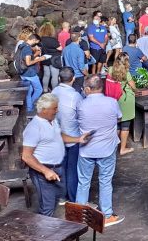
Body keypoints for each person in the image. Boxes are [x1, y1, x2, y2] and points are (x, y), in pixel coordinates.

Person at [21, 93, 88, 216]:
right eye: (54, 108)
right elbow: (26, 156)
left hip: (57, 168)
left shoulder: (52, 121)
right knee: (47, 207)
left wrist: (78, 139)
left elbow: (58, 136)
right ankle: (44, 233)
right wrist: (45, 171)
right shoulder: (34, 128)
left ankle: (50, 229)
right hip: (43, 171)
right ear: (44, 110)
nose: (57, 111)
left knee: (56, 198)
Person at [76, 75, 124, 226]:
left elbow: (76, 120)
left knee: (83, 182)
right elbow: (119, 118)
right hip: (107, 149)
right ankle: (107, 215)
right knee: (105, 182)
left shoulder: (81, 105)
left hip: (86, 150)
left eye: (84, 88)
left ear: (88, 89)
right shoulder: (112, 102)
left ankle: (78, 215)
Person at [51, 68, 84, 203]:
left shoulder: (53, 93)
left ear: (59, 79)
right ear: (73, 79)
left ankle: (61, 196)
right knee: (73, 170)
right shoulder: (76, 96)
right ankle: (73, 197)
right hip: (73, 137)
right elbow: (82, 115)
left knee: (61, 167)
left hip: (57, 137)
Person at [108, 53, 137, 155]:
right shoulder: (126, 72)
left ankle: (113, 147)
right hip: (125, 100)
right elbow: (133, 87)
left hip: (114, 99)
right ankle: (123, 149)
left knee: (116, 124)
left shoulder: (111, 69)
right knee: (125, 125)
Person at [20, 33, 45, 112]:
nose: (36, 44)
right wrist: (39, 59)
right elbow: (28, 63)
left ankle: (28, 108)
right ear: (34, 40)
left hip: (22, 72)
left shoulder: (22, 45)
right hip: (29, 73)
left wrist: (35, 55)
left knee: (29, 91)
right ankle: (30, 106)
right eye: (36, 42)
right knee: (39, 89)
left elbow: (25, 58)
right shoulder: (27, 48)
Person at [39, 23, 60, 93]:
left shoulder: (40, 40)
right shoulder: (53, 40)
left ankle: (45, 89)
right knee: (55, 76)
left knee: (46, 75)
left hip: (44, 59)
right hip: (54, 60)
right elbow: (60, 48)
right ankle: (54, 91)